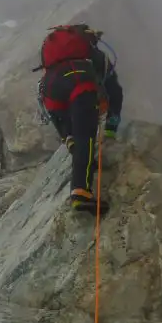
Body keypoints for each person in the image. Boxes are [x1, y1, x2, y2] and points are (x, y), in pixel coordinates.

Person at [33, 22, 112, 216]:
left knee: (74, 130)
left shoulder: (55, 48)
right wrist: (102, 96)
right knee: (86, 133)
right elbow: (103, 70)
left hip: (50, 88)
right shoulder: (87, 48)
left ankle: (70, 140)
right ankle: (81, 193)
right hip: (78, 81)